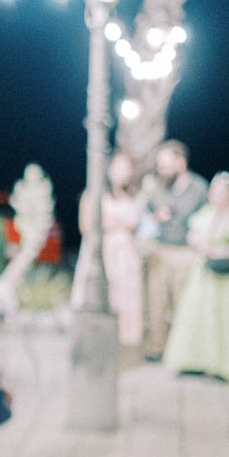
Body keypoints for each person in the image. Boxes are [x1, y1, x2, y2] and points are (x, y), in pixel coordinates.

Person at [163, 173, 229, 381]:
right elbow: (192, 234)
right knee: (197, 315)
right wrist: (202, 245)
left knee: (223, 319)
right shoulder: (206, 214)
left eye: (218, 192)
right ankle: (193, 361)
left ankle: (221, 366)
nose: (213, 195)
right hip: (204, 275)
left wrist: (219, 252)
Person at [144, 140, 208, 359]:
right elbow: (145, 218)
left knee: (184, 303)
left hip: (185, 252)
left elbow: (208, 218)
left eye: (165, 165)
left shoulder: (199, 188)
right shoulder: (157, 187)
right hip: (160, 250)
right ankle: (157, 346)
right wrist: (155, 217)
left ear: (180, 162)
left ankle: (184, 349)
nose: (161, 170)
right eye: (159, 166)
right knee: (156, 303)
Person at [74, 152, 145, 346]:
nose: (125, 173)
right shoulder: (93, 194)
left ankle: (122, 337)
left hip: (126, 255)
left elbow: (134, 225)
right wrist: (119, 223)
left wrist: (117, 223)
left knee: (124, 294)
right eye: (120, 167)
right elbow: (86, 225)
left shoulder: (131, 197)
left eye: (127, 169)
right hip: (102, 251)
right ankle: (94, 335)